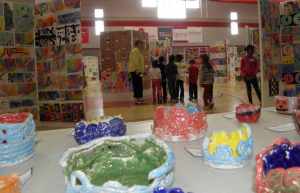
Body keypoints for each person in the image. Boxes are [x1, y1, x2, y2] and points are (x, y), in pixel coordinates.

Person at [129, 40, 148, 104]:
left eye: (142, 44)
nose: (142, 45)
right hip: (135, 70)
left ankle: (137, 99)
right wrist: (137, 69)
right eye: (141, 44)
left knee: (137, 84)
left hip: (136, 70)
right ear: (137, 45)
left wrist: (143, 71)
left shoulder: (137, 51)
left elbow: (139, 62)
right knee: (138, 85)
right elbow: (135, 61)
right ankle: (139, 98)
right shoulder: (136, 51)